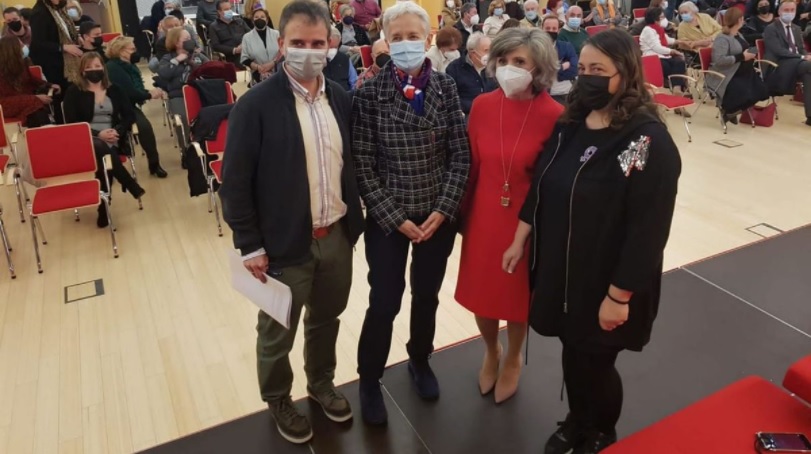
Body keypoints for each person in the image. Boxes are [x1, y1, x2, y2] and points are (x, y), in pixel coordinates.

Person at [503, 29, 681, 454]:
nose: (586, 77)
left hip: (608, 277)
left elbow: (648, 229)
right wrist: (520, 236)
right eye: (582, 68)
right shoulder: (571, 124)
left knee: (597, 361)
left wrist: (619, 295)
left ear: (625, 73)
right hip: (564, 268)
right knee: (572, 350)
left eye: (598, 69)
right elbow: (543, 183)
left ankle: (601, 431)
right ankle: (577, 419)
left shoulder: (643, 140)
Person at [219, 0, 364, 445]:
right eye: (299, 42)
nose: (309, 51)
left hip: (336, 235)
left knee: (327, 319)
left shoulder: (340, 98)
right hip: (282, 243)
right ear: (281, 44)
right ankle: (278, 397)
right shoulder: (255, 106)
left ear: (331, 45)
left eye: (317, 44)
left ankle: (320, 382)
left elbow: (351, 164)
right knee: (277, 330)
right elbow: (235, 182)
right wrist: (250, 244)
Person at [352, 1, 470, 427]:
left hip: (436, 216)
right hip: (390, 218)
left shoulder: (445, 86)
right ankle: (369, 379)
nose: (405, 44)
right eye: (396, 37)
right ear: (385, 40)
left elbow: (460, 156)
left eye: (412, 36)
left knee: (427, 294)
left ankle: (420, 358)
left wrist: (444, 209)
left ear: (428, 37)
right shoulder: (368, 93)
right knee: (384, 299)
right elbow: (363, 165)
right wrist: (394, 216)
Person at [456, 27, 563, 405]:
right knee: (483, 295)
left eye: (519, 61)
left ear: (539, 68)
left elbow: (552, 182)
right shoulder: (483, 106)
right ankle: (491, 350)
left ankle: (514, 356)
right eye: (502, 60)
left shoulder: (555, 116)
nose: (508, 67)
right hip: (484, 214)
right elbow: (470, 165)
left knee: (517, 299)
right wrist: (461, 216)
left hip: (526, 221)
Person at [63, 52, 146, 227]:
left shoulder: (115, 90)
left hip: (113, 137)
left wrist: (118, 130)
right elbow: (72, 123)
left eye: (97, 66)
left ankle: (104, 208)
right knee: (103, 151)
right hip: (84, 138)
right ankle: (126, 185)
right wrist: (97, 133)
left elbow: (129, 116)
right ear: (82, 71)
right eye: (89, 67)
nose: (94, 70)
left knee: (105, 159)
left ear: (103, 68)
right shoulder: (74, 91)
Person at [105, 36, 168, 178]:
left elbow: (134, 90)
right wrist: (149, 94)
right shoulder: (113, 68)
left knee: (145, 127)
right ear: (121, 51)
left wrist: (148, 93)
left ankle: (154, 164)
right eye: (132, 49)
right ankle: (154, 164)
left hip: (127, 104)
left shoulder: (129, 66)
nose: (136, 51)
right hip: (117, 108)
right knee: (144, 127)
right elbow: (130, 93)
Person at [708, 7, 768, 124]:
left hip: (744, 71)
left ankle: (731, 111)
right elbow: (719, 60)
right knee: (746, 93)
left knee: (762, 91)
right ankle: (729, 111)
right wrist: (742, 57)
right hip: (728, 74)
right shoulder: (722, 38)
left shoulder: (738, 34)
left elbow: (743, 50)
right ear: (739, 20)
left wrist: (751, 53)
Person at [763, 0, 811, 125]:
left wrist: (806, 55)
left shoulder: (796, 28)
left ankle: (810, 117)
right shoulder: (771, 29)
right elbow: (778, 51)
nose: (789, 13)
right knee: (808, 66)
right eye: (786, 10)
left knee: (808, 72)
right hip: (779, 64)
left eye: (792, 10)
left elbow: (802, 49)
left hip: (799, 64)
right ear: (779, 12)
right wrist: (802, 57)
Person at [157, 27, 209, 138]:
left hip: (200, 92)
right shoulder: (168, 58)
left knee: (210, 114)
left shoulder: (198, 56)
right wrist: (177, 60)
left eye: (190, 38)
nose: (190, 41)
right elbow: (163, 74)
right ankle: (187, 144)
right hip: (179, 95)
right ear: (176, 43)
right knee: (183, 118)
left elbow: (211, 69)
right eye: (186, 39)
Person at [0, 36, 57, 127]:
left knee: (39, 109)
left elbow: (30, 80)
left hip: (27, 102)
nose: (25, 47)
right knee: (36, 110)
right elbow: (3, 103)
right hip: (9, 107)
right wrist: (34, 98)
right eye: (21, 45)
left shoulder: (21, 64)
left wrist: (48, 85)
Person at [29, 0, 82, 92]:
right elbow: (38, 43)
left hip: (65, 59)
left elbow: (66, 29)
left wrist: (77, 37)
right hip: (52, 64)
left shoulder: (59, 10)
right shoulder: (39, 13)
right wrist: (63, 47)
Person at [641, 7, 688, 96]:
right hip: (652, 57)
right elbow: (657, 47)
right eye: (662, 17)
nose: (664, 19)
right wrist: (672, 51)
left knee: (680, 62)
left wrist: (680, 41)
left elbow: (667, 40)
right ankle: (675, 86)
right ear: (655, 19)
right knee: (668, 66)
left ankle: (676, 88)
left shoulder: (659, 29)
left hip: (663, 55)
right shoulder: (648, 30)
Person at [447, 32, 494, 116]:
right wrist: (475, 106)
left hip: (492, 113)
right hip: (467, 115)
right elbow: (451, 99)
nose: (490, 55)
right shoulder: (454, 69)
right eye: (486, 51)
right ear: (473, 53)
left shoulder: (494, 67)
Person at [542, 14, 578, 103]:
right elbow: (541, 72)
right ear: (541, 29)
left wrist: (553, 71)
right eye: (547, 28)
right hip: (544, 95)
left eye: (554, 28)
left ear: (558, 30)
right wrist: (563, 66)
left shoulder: (566, 46)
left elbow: (574, 70)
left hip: (566, 93)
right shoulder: (535, 48)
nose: (551, 31)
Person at [240, 8, 281, 85]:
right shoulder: (247, 37)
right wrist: (258, 68)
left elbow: (283, 52)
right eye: (256, 17)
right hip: (258, 71)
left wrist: (273, 63)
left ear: (267, 20)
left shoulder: (276, 34)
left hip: (277, 68)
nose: (259, 19)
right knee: (266, 85)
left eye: (262, 17)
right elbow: (244, 58)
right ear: (252, 21)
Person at [209, 0, 251, 67]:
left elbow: (251, 35)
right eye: (226, 9)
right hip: (230, 56)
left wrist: (243, 44)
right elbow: (216, 46)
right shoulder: (213, 27)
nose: (229, 11)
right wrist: (235, 50)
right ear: (219, 12)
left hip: (246, 51)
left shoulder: (240, 21)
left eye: (230, 8)